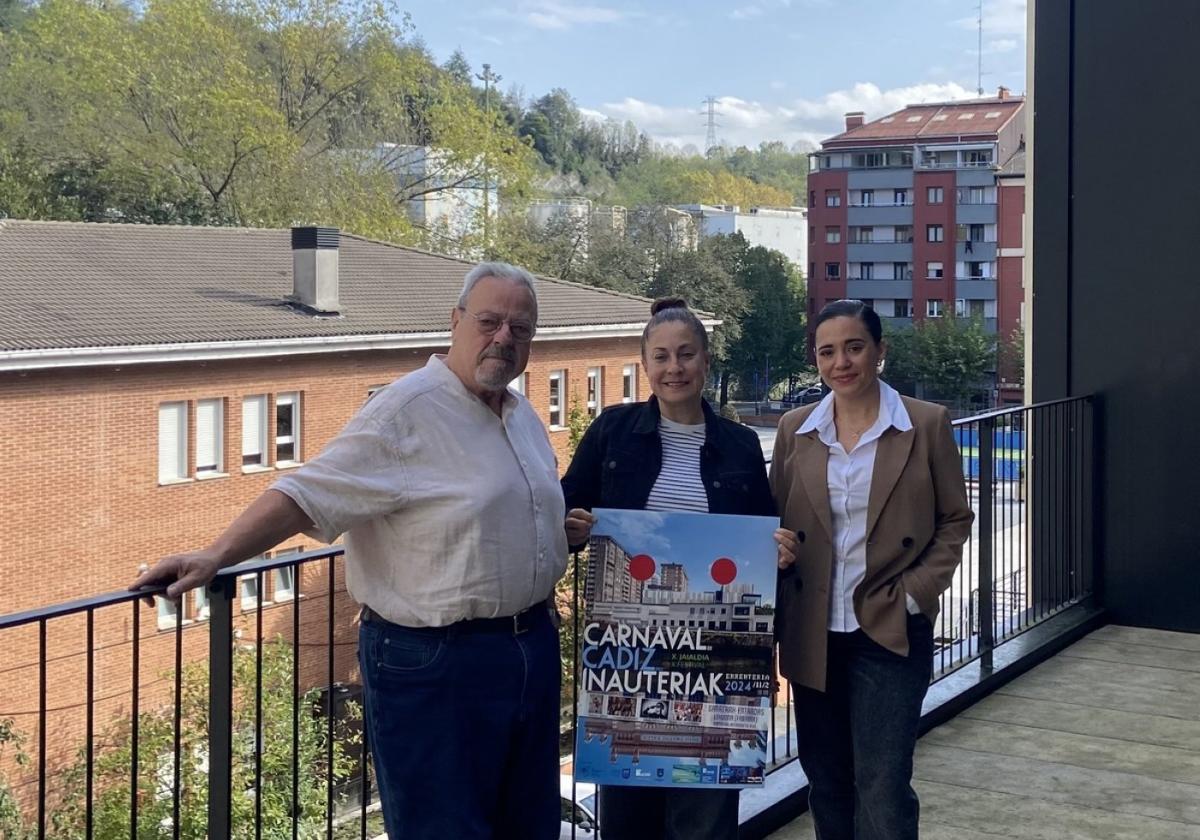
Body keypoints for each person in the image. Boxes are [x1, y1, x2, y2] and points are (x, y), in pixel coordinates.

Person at [131, 262, 568, 840]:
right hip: (437, 661)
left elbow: (514, 509)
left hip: (528, 648)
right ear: (455, 321)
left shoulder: (521, 415)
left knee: (528, 824)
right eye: (490, 321)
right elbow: (304, 492)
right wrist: (217, 556)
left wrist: (561, 530)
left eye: (521, 329)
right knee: (445, 827)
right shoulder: (402, 414)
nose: (504, 339)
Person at [560, 297, 797, 840]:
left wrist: (781, 552)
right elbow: (565, 507)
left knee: (706, 814)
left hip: (718, 659)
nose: (675, 368)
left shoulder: (739, 444)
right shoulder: (611, 433)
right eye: (662, 356)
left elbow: (763, 545)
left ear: (706, 362)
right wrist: (571, 529)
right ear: (645, 365)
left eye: (686, 355)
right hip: (629, 659)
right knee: (628, 813)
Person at [771, 299, 974, 840]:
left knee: (883, 785)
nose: (842, 362)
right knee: (827, 781)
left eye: (854, 347)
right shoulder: (797, 430)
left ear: (879, 351)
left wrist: (915, 593)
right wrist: (776, 546)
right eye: (827, 351)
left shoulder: (925, 424)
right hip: (813, 629)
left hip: (887, 629)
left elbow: (954, 517)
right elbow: (774, 516)